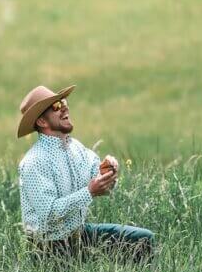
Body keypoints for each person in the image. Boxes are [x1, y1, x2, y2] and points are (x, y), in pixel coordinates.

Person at [16, 84, 154, 261]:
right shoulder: (34, 162)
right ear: (42, 122)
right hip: (48, 249)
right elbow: (49, 215)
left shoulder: (76, 148)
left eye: (63, 102)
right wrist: (89, 192)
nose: (64, 107)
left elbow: (101, 183)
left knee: (143, 239)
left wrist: (108, 174)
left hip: (80, 235)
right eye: (56, 106)